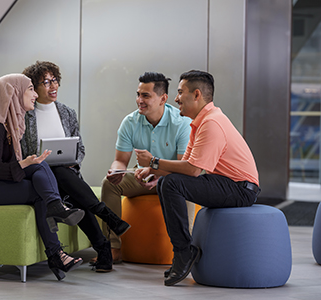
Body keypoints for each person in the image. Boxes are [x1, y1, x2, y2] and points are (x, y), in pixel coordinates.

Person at [134, 70, 261, 286]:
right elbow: (188, 167)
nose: (176, 98)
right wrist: (155, 171)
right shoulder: (199, 122)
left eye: (180, 92)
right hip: (224, 183)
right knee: (167, 182)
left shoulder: (212, 123)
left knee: (170, 183)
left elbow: (193, 171)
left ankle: (184, 252)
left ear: (196, 95)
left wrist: (154, 162)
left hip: (241, 189)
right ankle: (183, 251)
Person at [0, 73, 86, 281]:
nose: (35, 94)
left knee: (41, 166)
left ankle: (56, 208)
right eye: (30, 89)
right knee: (38, 192)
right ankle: (56, 252)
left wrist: (31, 163)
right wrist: (25, 163)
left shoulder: (12, 125)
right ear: (14, 94)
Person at [21, 61, 130, 272]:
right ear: (34, 86)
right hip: (38, 176)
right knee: (64, 179)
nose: (53, 86)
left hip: (66, 175)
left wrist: (75, 161)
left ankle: (103, 248)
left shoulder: (67, 112)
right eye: (46, 82)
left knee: (67, 182)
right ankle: (107, 220)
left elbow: (79, 148)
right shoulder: (25, 114)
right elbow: (22, 152)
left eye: (55, 80)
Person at [101, 72, 193, 263]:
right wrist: (116, 170)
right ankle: (112, 248)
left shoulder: (182, 123)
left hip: (172, 178)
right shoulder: (130, 122)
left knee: (187, 186)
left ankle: (185, 251)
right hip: (141, 177)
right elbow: (121, 160)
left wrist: (159, 174)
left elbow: (184, 168)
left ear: (163, 98)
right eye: (138, 94)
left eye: (145, 96)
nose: (139, 100)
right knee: (109, 184)